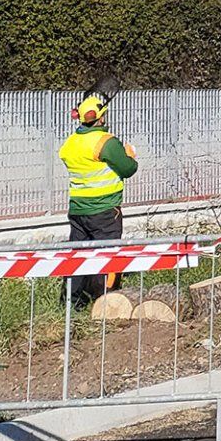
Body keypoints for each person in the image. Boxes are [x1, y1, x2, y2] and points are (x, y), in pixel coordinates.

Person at [59, 96, 139, 306]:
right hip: (104, 210)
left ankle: (71, 302)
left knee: (77, 255)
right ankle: (106, 302)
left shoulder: (70, 143)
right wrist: (129, 155)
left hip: (78, 210)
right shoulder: (106, 142)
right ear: (101, 118)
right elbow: (128, 169)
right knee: (108, 255)